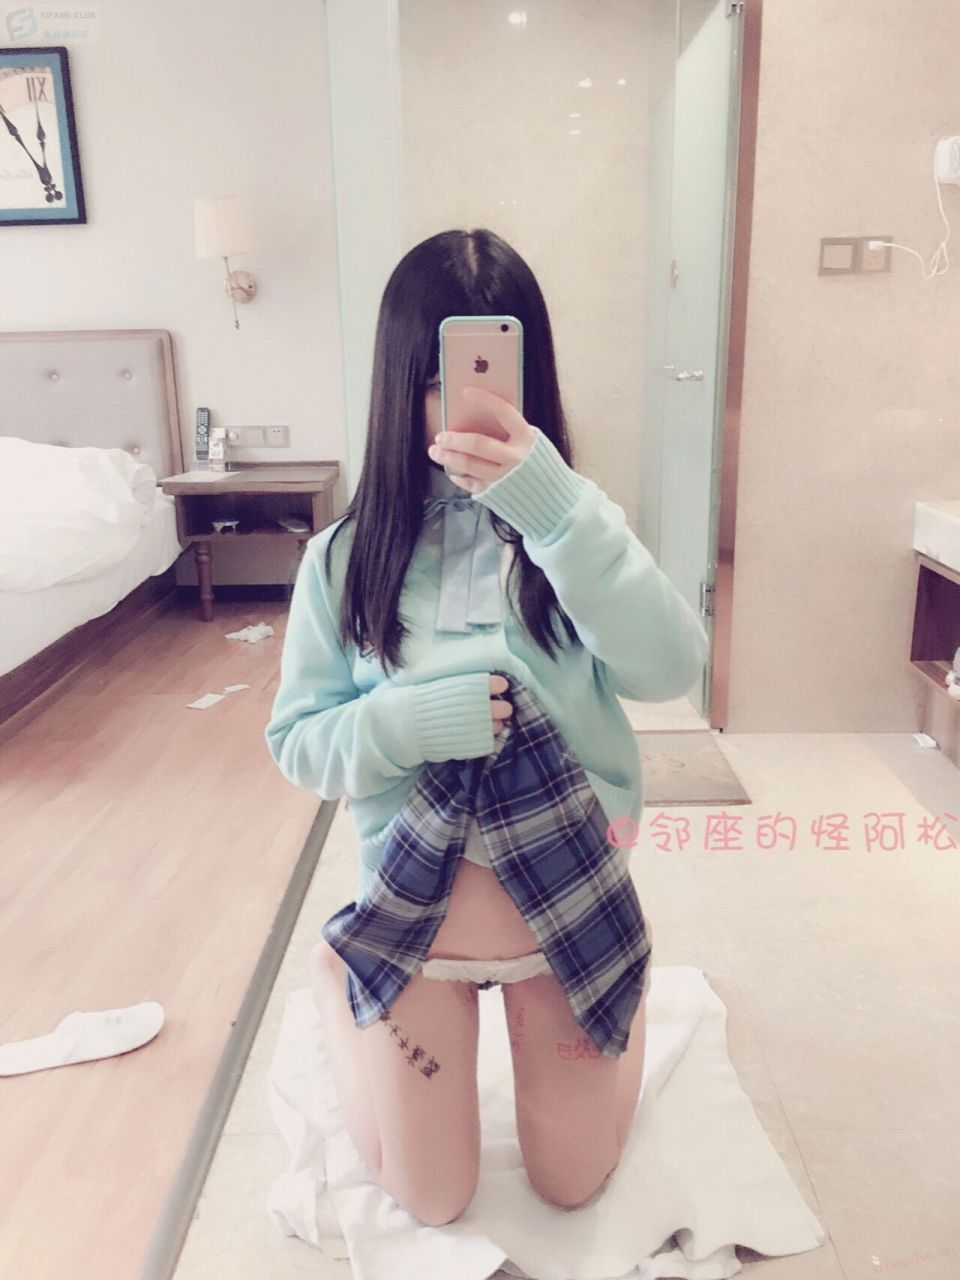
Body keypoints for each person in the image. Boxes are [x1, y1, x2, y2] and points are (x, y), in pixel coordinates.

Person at [264, 228, 709, 1228]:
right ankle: (341, 971)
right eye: (435, 381)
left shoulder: (578, 526)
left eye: (490, 375)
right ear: (396, 386)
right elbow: (297, 741)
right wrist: (402, 722)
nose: (461, 405)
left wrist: (555, 513)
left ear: (531, 381)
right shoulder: (343, 558)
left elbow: (670, 668)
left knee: (572, 1179)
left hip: (569, 917)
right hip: (415, 928)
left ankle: (625, 971)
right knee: (430, 1195)